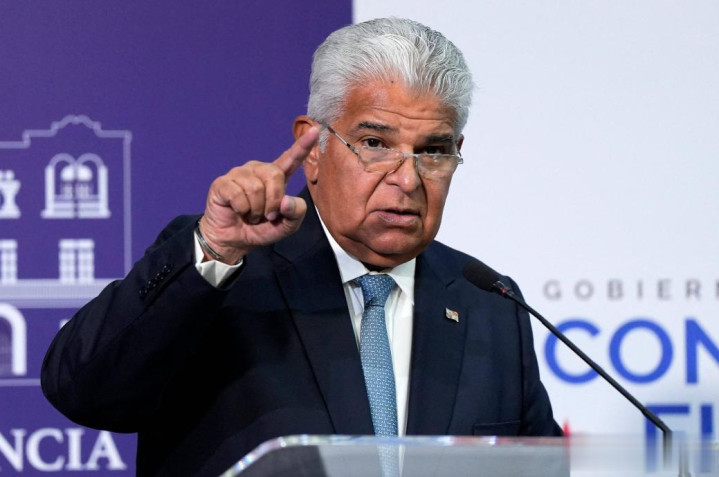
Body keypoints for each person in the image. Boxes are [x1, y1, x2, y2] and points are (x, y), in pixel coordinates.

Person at [41, 17, 562, 477]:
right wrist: (215, 249)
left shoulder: (489, 303)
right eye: (375, 144)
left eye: (433, 150)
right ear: (313, 147)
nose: (407, 180)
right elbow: (84, 392)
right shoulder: (226, 271)